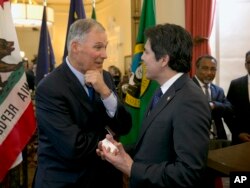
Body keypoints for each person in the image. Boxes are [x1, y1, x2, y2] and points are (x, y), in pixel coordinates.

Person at [97, 23, 211, 188]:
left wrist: (131, 168)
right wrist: (119, 151)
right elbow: (153, 147)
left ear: (164, 59)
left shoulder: (190, 100)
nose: (142, 57)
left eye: (147, 52)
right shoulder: (162, 91)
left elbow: (188, 173)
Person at [32, 18, 132, 188]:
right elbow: (73, 147)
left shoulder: (105, 78)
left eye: (105, 47)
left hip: (105, 179)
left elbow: (124, 126)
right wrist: (107, 141)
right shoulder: (50, 88)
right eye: (98, 47)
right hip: (67, 181)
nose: (105, 55)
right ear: (75, 47)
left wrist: (106, 92)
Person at [192, 55, 233, 141]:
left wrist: (214, 105)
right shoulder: (186, 87)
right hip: (195, 139)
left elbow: (229, 109)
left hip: (218, 139)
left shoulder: (218, 90)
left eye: (213, 69)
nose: (209, 73)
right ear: (196, 68)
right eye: (205, 68)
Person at [227, 50, 250, 144]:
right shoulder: (235, 84)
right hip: (240, 141)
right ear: (246, 65)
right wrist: (237, 133)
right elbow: (227, 113)